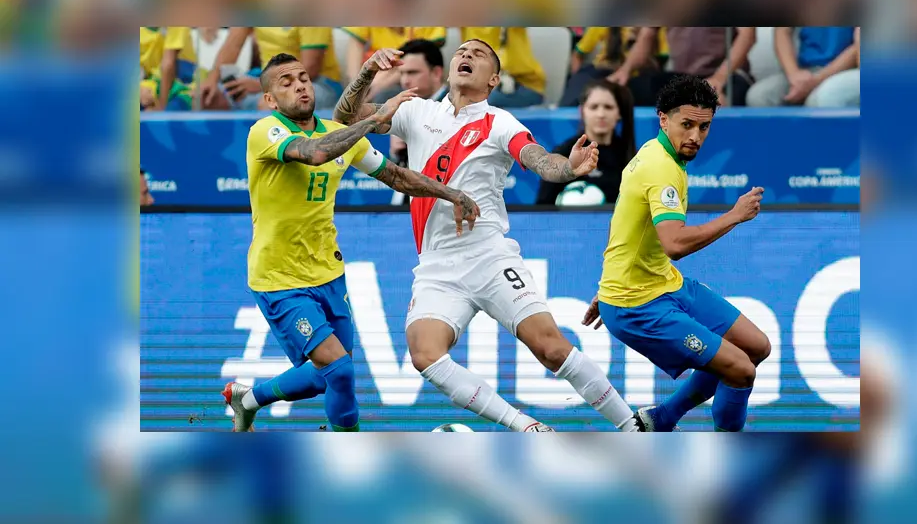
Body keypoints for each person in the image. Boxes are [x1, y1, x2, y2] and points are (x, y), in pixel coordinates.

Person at [340, 38, 639, 432]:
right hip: (436, 265)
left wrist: (569, 168)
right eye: (461, 51)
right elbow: (346, 119)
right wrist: (365, 74)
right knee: (424, 354)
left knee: (551, 348)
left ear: (494, 79)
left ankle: (632, 426)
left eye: (478, 54)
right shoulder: (414, 110)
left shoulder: (500, 122)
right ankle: (527, 428)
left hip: (488, 255)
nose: (466, 56)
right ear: (449, 68)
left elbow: (541, 161)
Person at [222, 49, 480, 432]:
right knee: (339, 371)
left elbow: (396, 177)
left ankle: (249, 398)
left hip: (328, 273)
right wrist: (376, 117)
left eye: (303, 78)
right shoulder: (266, 131)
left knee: (326, 374)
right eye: (286, 83)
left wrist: (451, 193)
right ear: (271, 100)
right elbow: (314, 153)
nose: (300, 87)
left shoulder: (339, 134)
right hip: (280, 279)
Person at [582, 74, 771, 432]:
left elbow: (628, 224)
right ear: (663, 119)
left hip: (662, 284)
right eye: (687, 125)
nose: (695, 136)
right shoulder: (661, 168)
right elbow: (675, 244)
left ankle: (661, 419)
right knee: (740, 369)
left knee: (756, 347)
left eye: (704, 127)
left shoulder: (657, 152)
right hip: (637, 305)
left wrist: (607, 282)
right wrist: (734, 216)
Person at [536, 79, 636, 205]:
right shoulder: (563, 154)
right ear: (582, 111)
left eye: (608, 107)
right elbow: (542, 208)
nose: (601, 114)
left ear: (619, 113)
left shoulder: (631, 156)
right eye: (594, 107)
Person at [202, 27, 344, 111]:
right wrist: (212, 80)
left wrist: (263, 84)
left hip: (317, 84)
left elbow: (310, 69)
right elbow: (232, 46)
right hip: (266, 80)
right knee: (209, 99)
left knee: (270, 104)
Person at [746, 27, 859, 108]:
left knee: (817, 101)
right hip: (804, 70)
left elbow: (858, 47)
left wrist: (816, 81)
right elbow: (782, 32)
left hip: (842, 72)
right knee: (759, 97)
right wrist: (794, 75)